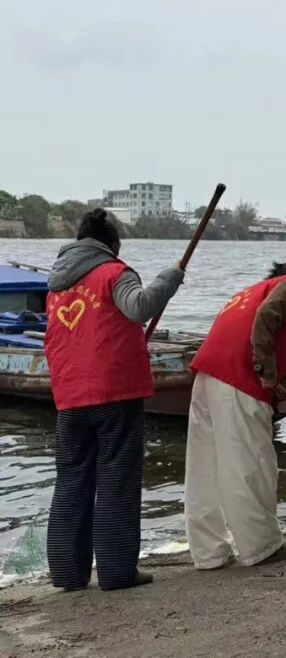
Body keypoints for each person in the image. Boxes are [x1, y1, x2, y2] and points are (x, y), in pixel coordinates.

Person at [44, 208, 185, 591]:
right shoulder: (114, 272)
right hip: (114, 392)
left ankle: (67, 573)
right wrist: (169, 278)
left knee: (71, 481)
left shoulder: (57, 286)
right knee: (116, 480)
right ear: (111, 245)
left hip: (69, 396)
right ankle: (117, 572)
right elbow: (140, 307)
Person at [184, 242, 286, 569]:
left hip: (208, 375)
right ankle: (261, 546)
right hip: (239, 379)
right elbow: (266, 318)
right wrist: (265, 371)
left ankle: (209, 553)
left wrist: (275, 388)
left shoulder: (260, 287)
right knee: (251, 462)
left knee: (205, 466)